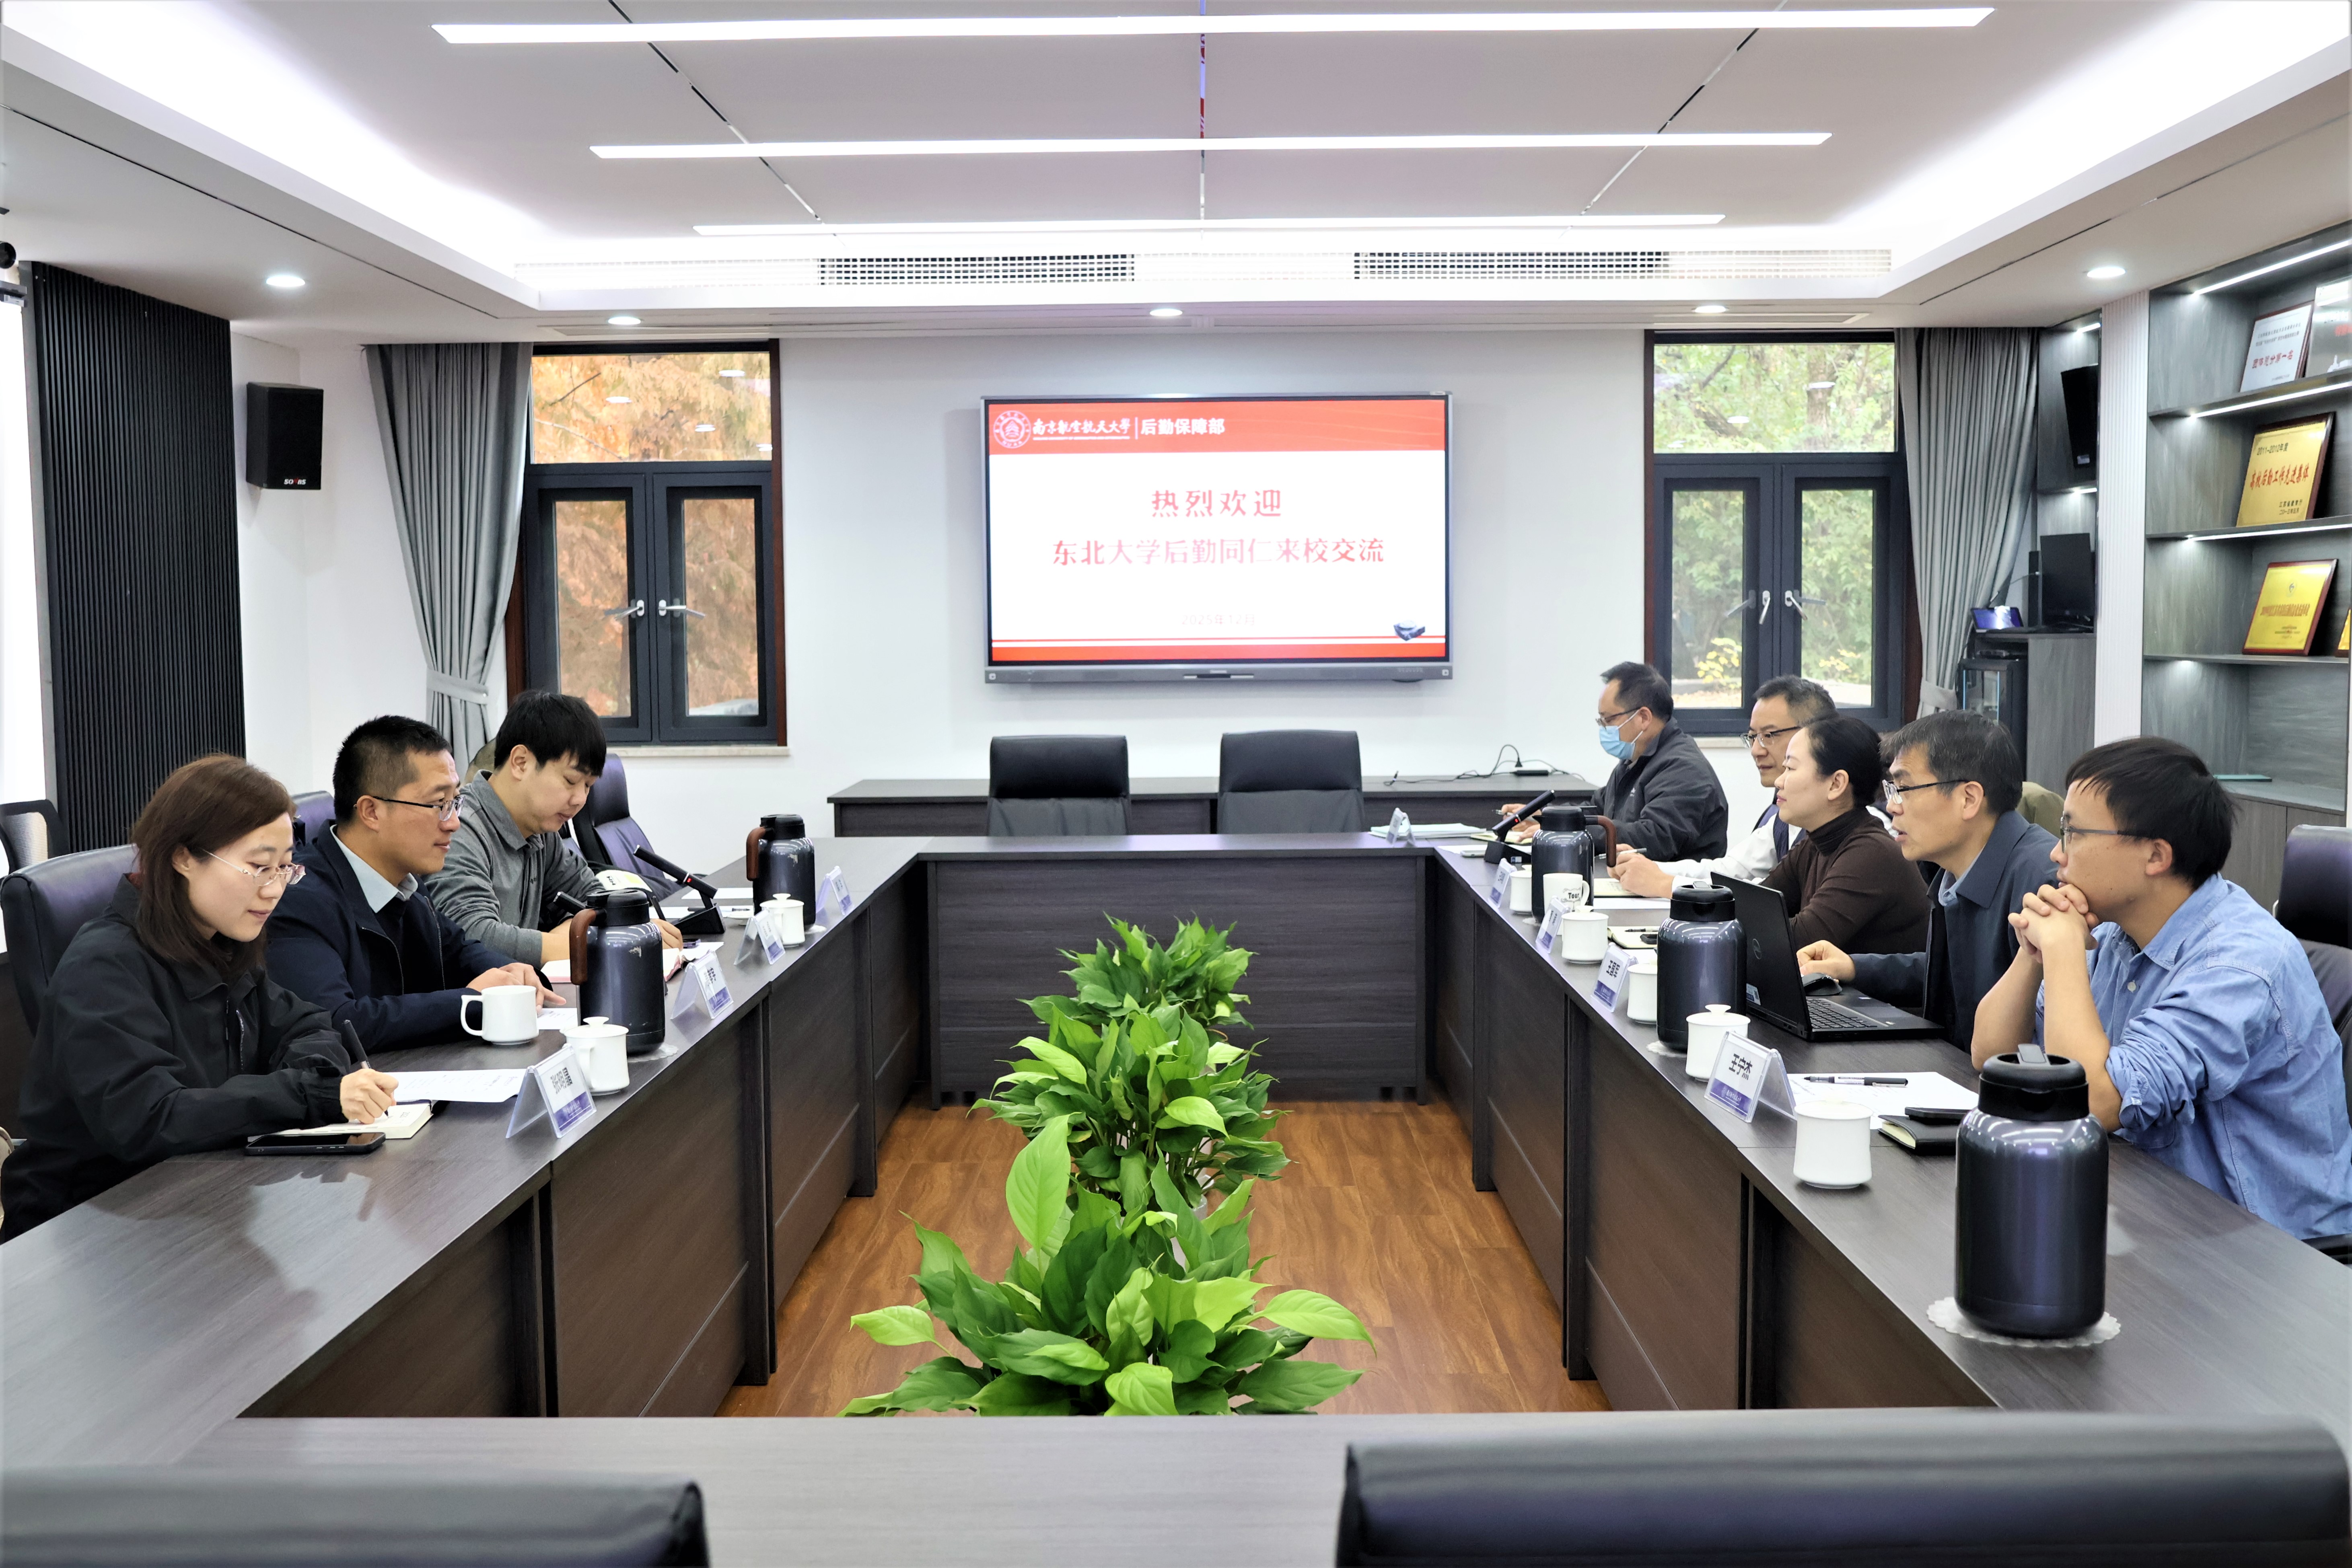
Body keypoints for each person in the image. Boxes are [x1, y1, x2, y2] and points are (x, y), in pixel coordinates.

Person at [0, 756, 399, 1240]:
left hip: (197, 1195)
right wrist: (308, 1095)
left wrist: (311, 1078)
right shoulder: (104, 967)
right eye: (259, 867)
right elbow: (151, 1118)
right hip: (87, 1226)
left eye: (284, 868)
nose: (275, 889)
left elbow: (309, 1024)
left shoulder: (220, 940)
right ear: (184, 857)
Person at [1971, 738, 2352, 1242]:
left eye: (2074, 832)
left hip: (2269, 1251)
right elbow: (1991, 1055)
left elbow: (2092, 1101)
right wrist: (2034, 953)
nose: (2056, 852)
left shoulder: (2240, 964)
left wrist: (2062, 950)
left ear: (2155, 854)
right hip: (2154, 1214)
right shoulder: (2114, 932)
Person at [272, 715, 558, 1054]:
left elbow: (459, 951)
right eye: (438, 805)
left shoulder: (407, 882)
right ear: (371, 812)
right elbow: (336, 1022)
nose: (453, 822)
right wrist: (471, 1002)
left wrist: (509, 973)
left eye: (455, 802)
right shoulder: (299, 899)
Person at [1795, 710, 2057, 1035]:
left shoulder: (2043, 884)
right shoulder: (1954, 868)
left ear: (1968, 799)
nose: (1892, 806)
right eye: (1891, 789)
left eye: (1903, 788)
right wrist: (1853, 967)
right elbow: (1951, 972)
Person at [426, 691, 682, 965]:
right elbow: (474, 937)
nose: (580, 799)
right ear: (521, 763)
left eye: (588, 786)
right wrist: (586, 941)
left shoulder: (540, 831)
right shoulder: (460, 828)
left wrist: (608, 927)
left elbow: (593, 897)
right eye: (571, 781)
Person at [1611, 676, 1835, 896]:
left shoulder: (1840, 830)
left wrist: (1665, 884)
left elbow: (1763, 897)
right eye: (1753, 737)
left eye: (1769, 735)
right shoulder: (1783, 820)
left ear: (1814, 735)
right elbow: (1730, 871)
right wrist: (1647, 869)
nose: (1756, 750)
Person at [1763, 714, 1928, 955]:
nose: (1780, 781)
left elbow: (1797, 943)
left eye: (1790, 768)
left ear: (1836, 784)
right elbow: (1758, 906)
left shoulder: (1872, 853)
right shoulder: (1815, 842)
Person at [1591, 660, 1728, 863]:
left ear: (1644, 718)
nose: (1604, 728)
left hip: (1672, 882)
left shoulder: (1684, 768)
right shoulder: (1634, 760)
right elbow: (1598, 808)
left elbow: (1654, 839)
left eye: (1608, 720)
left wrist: (1580, 831)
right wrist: (1552, 818)